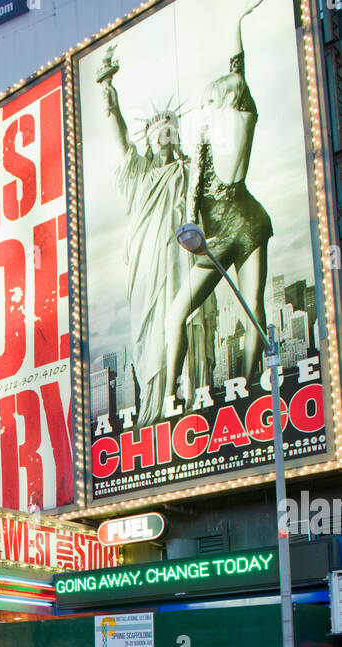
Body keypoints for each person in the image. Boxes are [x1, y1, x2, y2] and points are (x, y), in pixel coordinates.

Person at [164, 0, 272, 401]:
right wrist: (189, 230)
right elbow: (193, 192)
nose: (204, 109)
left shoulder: (240, 117)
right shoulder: (209, 137)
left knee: (252, 310)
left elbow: (237, 73)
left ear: (227, 102)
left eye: (211, 101)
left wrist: (236, 23)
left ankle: (247, 387)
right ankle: (171, 396)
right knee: (178, 314)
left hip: (243, 224)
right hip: (221, 233)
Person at [98, 46, 196, 426]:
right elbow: (122, 141)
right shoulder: (139, 175)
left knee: (181, 321)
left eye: (167, 133)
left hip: (180, 259)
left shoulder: (187, 172)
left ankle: (180, 396)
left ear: (175, 137)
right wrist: (112, 104)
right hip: (145, 265)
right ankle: (154, 405)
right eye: (155, 135)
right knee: (148, 333)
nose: (161, 140)